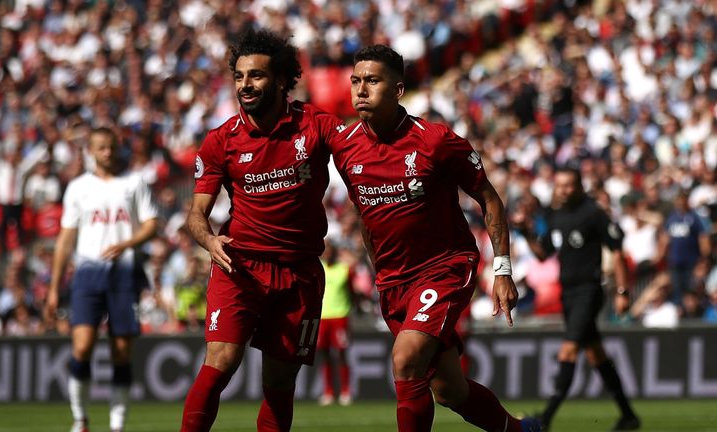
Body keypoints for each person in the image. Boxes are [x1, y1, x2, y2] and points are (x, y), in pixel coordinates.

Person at [330, 44, 540, 432]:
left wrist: (503, 270)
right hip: (393, 280)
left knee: (405, 359)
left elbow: (490, 199)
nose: (360, 89)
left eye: (372, 81)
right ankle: (521, 430)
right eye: (355, 81)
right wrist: (378, 269)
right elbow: (364, 213)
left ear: (397, 90)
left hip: (443, 267)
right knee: (449, 390)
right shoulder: (344, 147)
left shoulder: (436, 141)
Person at [179, 28, 344, 432]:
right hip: (240, 265)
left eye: (256, 75)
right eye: (238, 76)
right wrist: (208, 240)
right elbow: (196, 215)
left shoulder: (316, 125)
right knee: (220, 361)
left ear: (283, 79)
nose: (245, 85)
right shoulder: (221, 141)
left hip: (299, 271)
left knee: (279, 383)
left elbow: (365, 156)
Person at [46, 127, 159, 432]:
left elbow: (152, 224)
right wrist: (54, 287)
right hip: (88, 273)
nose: (107, 153)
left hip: (124, 272)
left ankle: (117, 423)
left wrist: (127, 244)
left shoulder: (134, 183)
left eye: (111, 147)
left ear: (117, 148)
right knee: (81, 347)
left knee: (121, 351)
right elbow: (65, 238)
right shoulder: (78, 187)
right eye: (101, 148)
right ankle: (80, 418)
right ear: (91, 151)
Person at [515, 167, 640, 431]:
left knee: (568, 349)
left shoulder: (592, 213)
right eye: (559, 185)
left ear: (580, 186)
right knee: (596, 354)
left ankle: (544, 419)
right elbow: (542, 254)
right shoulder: (555, 215)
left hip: (588, 290)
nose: (563, 190)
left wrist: (622, 291)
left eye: (569, 185)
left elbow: (617, 251)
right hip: (568, 293)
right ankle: (628, 415)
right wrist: (526, 232)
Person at [317, 243, 355, 406]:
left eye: (330, 251)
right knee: (324, 355)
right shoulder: (318, 269)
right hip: (322, 317)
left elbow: (353, 292)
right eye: (325, 251)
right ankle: (329, 392)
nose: (327, 254)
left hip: (340, 316)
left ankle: (346, 391)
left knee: (341, 354)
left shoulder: (345, 270)